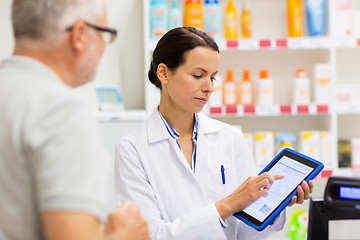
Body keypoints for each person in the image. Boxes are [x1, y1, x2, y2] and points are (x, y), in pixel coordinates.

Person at [114, 27, 313, 240]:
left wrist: (274, 205)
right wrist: (228, 205)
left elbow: (245, 233)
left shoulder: (230, 137)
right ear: (163, 73)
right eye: (198, 75)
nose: (209, 87)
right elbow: (148, 235)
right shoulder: (132, 150)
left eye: (213, 77)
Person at [0, 0, 149, 239]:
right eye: (105, 33)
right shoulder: (60, 111)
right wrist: (124, 234)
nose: (103, 46)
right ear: (79, 34)